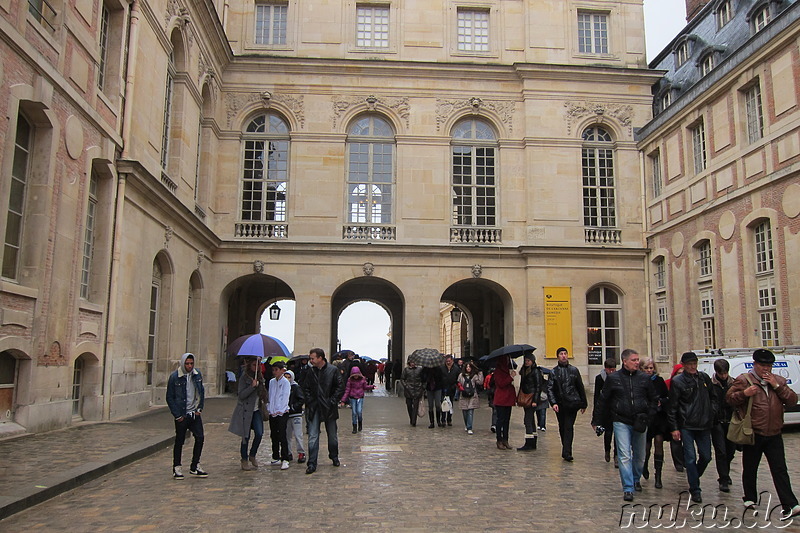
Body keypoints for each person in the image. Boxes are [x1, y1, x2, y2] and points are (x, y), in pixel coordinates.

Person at [726, 348, 800, 518]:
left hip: (774, 432)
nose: (766, 369)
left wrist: (777, 386)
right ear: (755, 365)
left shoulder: (778, 381)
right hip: (754, 432)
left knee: (780, 469)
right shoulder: (744, 380)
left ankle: (790, 504)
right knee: (751, 467)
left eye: (769, 366)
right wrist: (744, 394)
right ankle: (750, 497)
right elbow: (729, 398)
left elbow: (792, 400)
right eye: (762, 365)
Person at [592, 348, 657, 502]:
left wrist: (649, 415)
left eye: (637, 360)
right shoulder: (613, 378)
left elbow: (654, 399)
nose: (636, 362)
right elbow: (603, 400)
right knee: (624, 455)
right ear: (625, 361)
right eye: (634, 360)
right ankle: (628, 487)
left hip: (640, 420)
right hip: (621, 420)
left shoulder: (644, 378)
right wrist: (597, 420)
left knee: (640, 456)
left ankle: (635, 478)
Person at [668, 351, 714, 503]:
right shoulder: (678, 381)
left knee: (706, 456)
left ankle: (694, 476)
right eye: (689, 364)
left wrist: (711, 411)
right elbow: (673, 406)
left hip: (704, 423)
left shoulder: (704, 378)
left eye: (694, 363)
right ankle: (695, 489)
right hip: (687, 424)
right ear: (684, 365)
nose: (693, 367)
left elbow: (713, 397)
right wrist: (674, 427)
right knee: (690, 458)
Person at [302, 348, 345, 474]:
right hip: (315, 407)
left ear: (320, 358)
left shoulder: (333, 370)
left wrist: (332, 401)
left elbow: (340, 387)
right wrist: (310, 401)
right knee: (313, 436)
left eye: (312, 358)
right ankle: (312, 462)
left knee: (332, 436)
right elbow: (305, 388)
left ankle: (334, 456)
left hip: (329, 407)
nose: (311, 360)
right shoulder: (310, 371)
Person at [166, 353, 207, 479]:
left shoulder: (197, 375)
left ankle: (195, 465)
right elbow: (169, 397)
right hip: (182, 414)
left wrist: (199, 408)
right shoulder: (175, 377)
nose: (189, 366)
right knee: (180, 440)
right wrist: (177, 415)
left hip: (194, 413)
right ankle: (177, 467)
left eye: (191, 363)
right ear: (183, 363)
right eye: (187, 363)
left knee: (200, 438)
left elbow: (201, 392)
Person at [547, 347, 587, 461]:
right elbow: (550, 388)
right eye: (561, 354)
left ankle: (567, 451)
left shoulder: (574, 370)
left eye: (565, 353)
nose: (564, 356)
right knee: (562, 426)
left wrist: (583, 403)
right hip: (560, 403)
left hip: (572, 403)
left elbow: (580, 387)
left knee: (569, 426)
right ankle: (566, 447)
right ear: (558, 356)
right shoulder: (554, 372)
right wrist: (553, 402)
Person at [228, 356, 267, 471]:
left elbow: (263, 394)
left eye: (258, 365)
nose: (256, 367)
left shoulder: (260, 377)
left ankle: (252, 454)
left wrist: (262, 388)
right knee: (246, 436)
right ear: (249, 365)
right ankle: (244, 459)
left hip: (256, 410)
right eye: (254, 365)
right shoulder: (244, 378)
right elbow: (241, 395)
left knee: (259, 433)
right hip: (246, 411)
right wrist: (252, 386)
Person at [640, 357, 669, 489]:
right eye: (646, 368)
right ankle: (644, 465)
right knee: (646, 448)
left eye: (651, 368)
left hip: (658, 417)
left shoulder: (659, 381)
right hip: (646, 417)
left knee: (659, 444)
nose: (649, 370)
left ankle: (658, 476)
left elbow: (666, 396)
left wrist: (661, 402)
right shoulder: (639, 381)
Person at [710, 358, 735, 493]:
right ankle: (723, 478)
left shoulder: (733, 383)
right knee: (721, 451)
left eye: (725, 373)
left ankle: (726, 471)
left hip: (731, 421)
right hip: (717, 422)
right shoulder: (711, 384)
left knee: (730, 451)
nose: (724, 376)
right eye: (721, 373)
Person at [267, 361, 292, 470]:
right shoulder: (272, 382)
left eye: (276, 370)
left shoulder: (285, 382)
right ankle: (275, 455)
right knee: (274, 435)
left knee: (282, 435)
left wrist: (280, 410)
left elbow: (285, 397)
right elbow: (270, 395)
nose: (274, 372)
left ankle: (285, 458)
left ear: (282, 370)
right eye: (273, 370)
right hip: (272, 412)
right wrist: (270, 408)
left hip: (282, 412)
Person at [517, 352, 543, 451]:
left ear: (532, 361)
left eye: (528, 360)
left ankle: (529, 442)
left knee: (527, 420)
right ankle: (533, 442)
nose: (527, 362)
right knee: (531, 420)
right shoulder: (524, 371)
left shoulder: (535, 371)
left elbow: (538, 386)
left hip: (531, 397)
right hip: (525, 397)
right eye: (525, 360)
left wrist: (535, 400)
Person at [594, 358, 617, 465]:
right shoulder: (600, 379)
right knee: (608, 433)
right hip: (605, 409)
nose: (612, 372)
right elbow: (596, 396)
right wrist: (596, 414)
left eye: (613, 370)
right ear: (605, 369)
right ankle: (607, 450)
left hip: (616, 409)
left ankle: (617, 455)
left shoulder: (618, 377)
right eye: (610, 370)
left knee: (618, 433)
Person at [492, 354, 516, 450]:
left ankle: (506, 439)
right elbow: (501, 383)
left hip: (508, 399)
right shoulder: (498, 371)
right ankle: (499, 440)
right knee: (500, 420)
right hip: (501, 399)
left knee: (507, 420)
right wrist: (510, 377)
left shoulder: (507, 370)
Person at [340, 366, 374, 433]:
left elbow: (365, 387)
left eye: (356, 375)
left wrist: (371, 387)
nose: (355, 377)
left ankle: (360, 422)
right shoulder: (350, 380)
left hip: (360, 397)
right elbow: (347, 390)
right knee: (354, 412)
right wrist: (343, 400)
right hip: (353, 397)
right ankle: (354, 427)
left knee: (359, 411)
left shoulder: (362, 379)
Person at [665, 363, 685, 473]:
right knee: (675, 440)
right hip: (673, 415)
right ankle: (678, 462)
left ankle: (685, 459)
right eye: (678, 373)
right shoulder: (668, 384)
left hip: (685, 415)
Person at [285, 370, 306, 464]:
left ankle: (301, 452)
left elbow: (301, 399)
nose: (287, 379)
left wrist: (294, 407)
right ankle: (288, 452)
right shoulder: (283, 387)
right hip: (286, 414)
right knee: (287, 435)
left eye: (289, 377)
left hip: (296, 414)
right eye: (285, 377)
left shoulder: (296, 387)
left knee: (298, 435)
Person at [457, 361, 483, 434]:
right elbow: (458, 383)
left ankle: (469, 427)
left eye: (469, 367)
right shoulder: (461, 375)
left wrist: (480, 373)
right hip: (464, 395)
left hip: (472, 395)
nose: (468, 368)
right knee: (465, 412)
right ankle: (466, 424)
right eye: (467, 367)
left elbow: (480, 382)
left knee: (470, 412)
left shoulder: (474, 376)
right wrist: (460, 387)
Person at [401, 359, 424, 426]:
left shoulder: (419, 370)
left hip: (417, 389)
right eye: (411, 362)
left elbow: (423, 379)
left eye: (414, 362)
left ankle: (414, 421)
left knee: (416, 406)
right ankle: (411, 418)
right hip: (408, 390)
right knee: (409, 405)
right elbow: (402, 379)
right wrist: (406, 386)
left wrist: (422, 387)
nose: (413, 363)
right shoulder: (406, 370)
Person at [440, 355, 461, 427]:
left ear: (452, 361)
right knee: (443, 404)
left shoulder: (456, 368)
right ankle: (443, 420)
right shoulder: (442, 368)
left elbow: (458, 378)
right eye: (447, 361)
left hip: (452, 388)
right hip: (443, 388)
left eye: (449, 361)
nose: (448, 362)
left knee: (450, 404)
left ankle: (449, 419)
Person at [536, 366, 551, 431]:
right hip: (539, 399)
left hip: (542, 399)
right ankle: (540, 425)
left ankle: (542, 425)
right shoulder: (537, 382)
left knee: (541, 413)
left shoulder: (545, 382)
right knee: (540, 413)